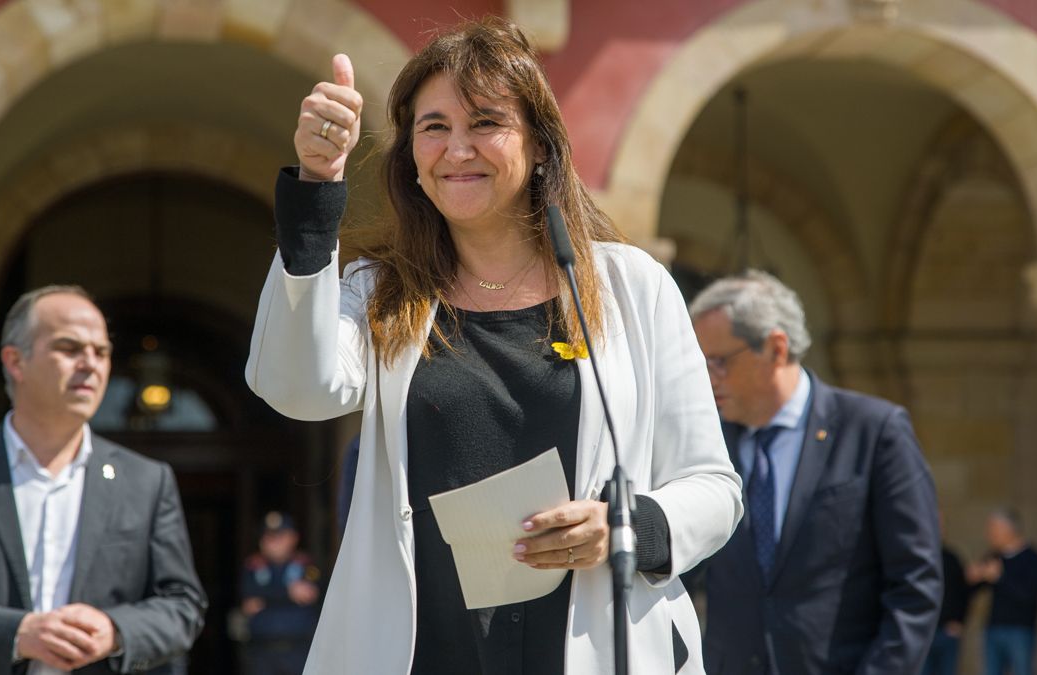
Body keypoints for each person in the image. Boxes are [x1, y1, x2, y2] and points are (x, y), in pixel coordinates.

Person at [245, 17, 743, 675]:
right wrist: (315, 191)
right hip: (424, 651)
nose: (457, 149)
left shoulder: (632, 285)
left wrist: (624, 527)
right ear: (411, 157)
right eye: (434, 127)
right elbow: (295, 385)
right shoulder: (380, 291)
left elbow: (713, 486)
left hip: (589, 648)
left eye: (485, 123)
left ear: (539, 145)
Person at [0, 285, 207, 674]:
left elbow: (181, 606)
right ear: (15, 362)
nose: (91, 363)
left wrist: (115, 630)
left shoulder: (147, 482)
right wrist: (15, 633)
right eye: (70, 348)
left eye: (102, 352)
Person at [689, 271, 941, 674]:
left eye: (718, 362)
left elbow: (915, 585)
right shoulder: (707, 444)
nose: (706, 378)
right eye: (698, 364)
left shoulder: (873, 431)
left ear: (776, 348)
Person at [240, 512, 322, 675]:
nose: (274, 543)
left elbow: (310, 595)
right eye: (269, 537)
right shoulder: (253, 567)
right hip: (263, 652)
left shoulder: (306, 566)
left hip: (298, 650)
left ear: (293, 538)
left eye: (280, 537)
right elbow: (248, 602)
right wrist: (288, 592)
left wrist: (266, 599)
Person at [966, 508, 1037, 675]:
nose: (989, 535)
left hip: (1020, 630)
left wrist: (1000, 577)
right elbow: (973, 589)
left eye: (993, 530)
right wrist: (975, 577)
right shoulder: (993, 556)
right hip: (993, 628)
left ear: (1009, 530)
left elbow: (1028, 595)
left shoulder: (1033, 558)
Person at [922, 513, 970, 675]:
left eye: (940, 525)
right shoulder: (914, 559)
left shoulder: (952, 559)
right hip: (922, 632)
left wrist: (960, 621)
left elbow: (964, 593)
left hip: (947, 631)